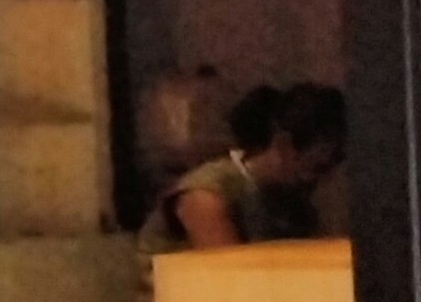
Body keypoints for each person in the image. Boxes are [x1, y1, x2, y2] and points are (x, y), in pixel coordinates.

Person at [142, 83, 347, 253]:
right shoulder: (207, 194)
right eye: (316, 168)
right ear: (284, 146)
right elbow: (230, 278)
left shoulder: (293, 203)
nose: (321, 180)